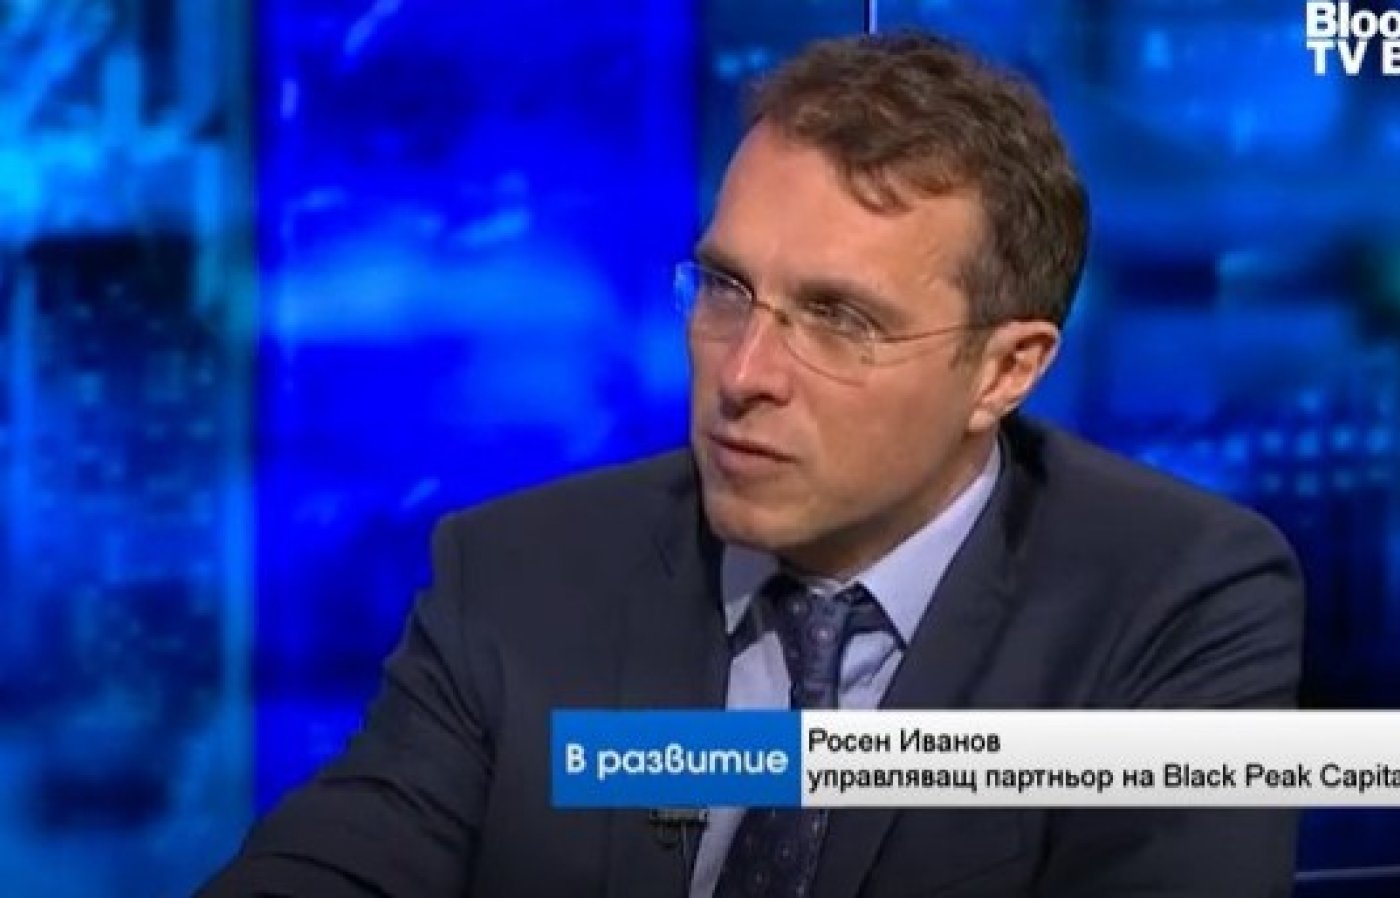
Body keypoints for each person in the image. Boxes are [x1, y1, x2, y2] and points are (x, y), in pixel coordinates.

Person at [201, 30, 1304, 898]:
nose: (744, 372)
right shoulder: (518, 573)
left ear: (1003, 371)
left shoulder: (1172, 599)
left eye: (839, 319)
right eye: (726, 290)